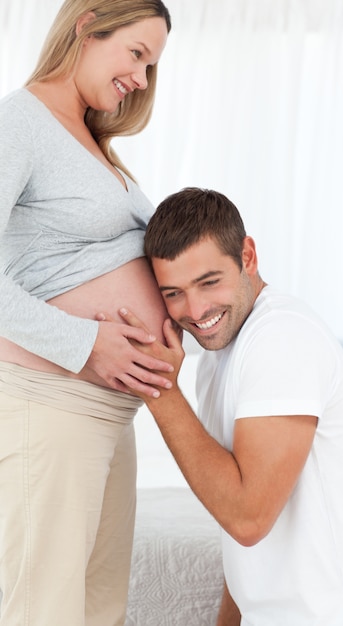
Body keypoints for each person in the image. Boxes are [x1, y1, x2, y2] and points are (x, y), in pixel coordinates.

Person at [116, 187, 343, 625]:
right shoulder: (218, 357)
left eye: (209, 282)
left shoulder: (281, 337)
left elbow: (248, 517)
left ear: (247, 256)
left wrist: (160, 388)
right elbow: (243, 541)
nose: (196, 310)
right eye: (174, 293)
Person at [0, 2, 173, 625]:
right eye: (136, 54)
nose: (143, 80)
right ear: (87, 23)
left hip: (107, 415)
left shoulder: (94, 141)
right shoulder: (22, 119)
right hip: (51, 402)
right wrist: (87, 344)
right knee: (41, 612)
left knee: (102, 611)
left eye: (151, 65)